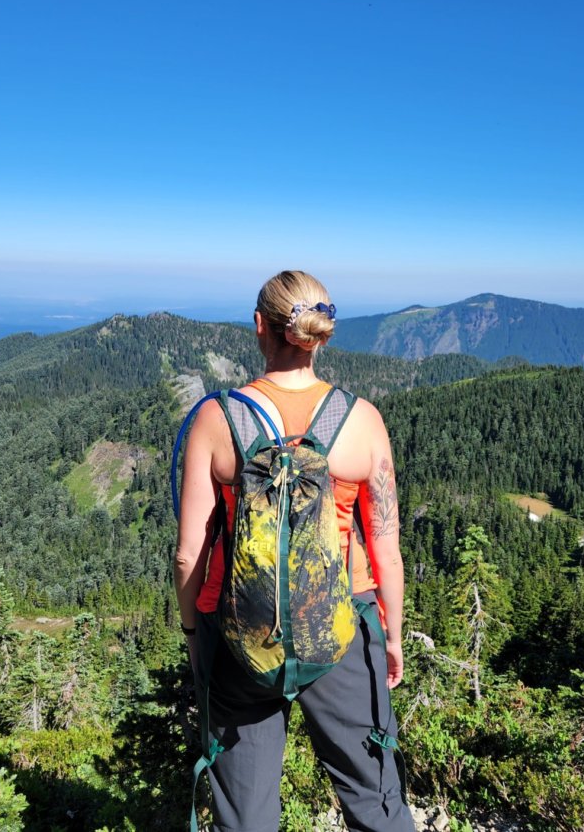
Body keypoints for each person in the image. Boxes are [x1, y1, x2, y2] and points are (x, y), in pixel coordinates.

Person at [175, 269, 414, 832]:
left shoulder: (217, 419)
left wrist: (196, 637)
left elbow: (189, 554)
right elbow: (387, 548)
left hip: (241, 635)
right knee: (371, 793)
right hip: (341, 627)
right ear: (320, 334)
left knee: (247, 812)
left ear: (260, 326)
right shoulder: (361, 421)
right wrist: (393, 639)